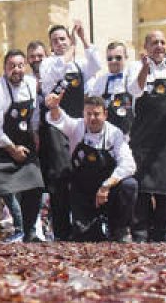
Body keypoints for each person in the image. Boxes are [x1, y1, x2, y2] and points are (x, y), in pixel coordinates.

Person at [44, 94, 137, 241]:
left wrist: (106, 186)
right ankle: (64, 233)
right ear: (83, 114)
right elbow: (60, 119)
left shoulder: (115, 133)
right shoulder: (77, 127)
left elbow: (129, 164)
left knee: (129, 184)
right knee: (87, 237)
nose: (92, 118)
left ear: (105, 114)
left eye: (96, 114)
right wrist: (54, 107)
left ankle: (120, 229)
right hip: (82, 189)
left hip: (107, 191)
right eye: (88, 114)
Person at [39, 22, 101, 241]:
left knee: (82, 174)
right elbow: (55, 73)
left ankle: (84, 227)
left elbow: (96, 64)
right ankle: (61, 231)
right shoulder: (47, 64)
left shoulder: (79, 64)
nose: (59, 43)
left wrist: (84, 39)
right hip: (57, 125)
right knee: (60, 176)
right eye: (55, 40)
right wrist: (71, 48)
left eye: (63, 39)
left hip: (78, 125)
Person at [129, 31, 166, 242]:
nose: (159, 46)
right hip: (143, 136)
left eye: (163, 42)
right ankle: (140, 231)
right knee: (142, 186)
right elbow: (135, 91)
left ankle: (164, 231)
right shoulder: (136, 66)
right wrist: (145, 69)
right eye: (155, 43)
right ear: (146, 46)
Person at [0, 49, 44, 242]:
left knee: (35, 185)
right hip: (0, 145)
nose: (16, 70)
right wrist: (12, 149)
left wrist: (34, 134)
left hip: (24, 143)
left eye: (19, 65)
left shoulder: (31, 84)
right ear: (4, 68)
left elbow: (33, 115)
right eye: (12, 66)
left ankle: (30, 231)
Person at [87, 42, 136, 136]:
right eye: (110, 58)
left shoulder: (132, 78)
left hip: (128, 137)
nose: (113, 61)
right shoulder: (101, 80)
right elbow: (92, 106)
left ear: (126, 57)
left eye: (118, 58)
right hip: (106, 136)